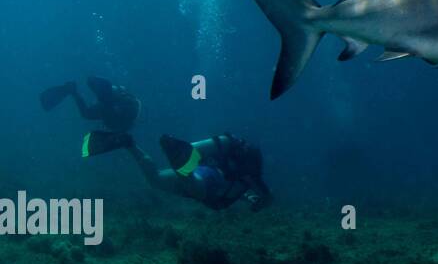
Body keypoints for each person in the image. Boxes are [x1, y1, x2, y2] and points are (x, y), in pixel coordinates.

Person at [83, 131, 272, 212]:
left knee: (155, 179)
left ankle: (128, 144)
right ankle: (185, 171)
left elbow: (244, 191)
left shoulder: (243, 176)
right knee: (199, 184)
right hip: (207, 179)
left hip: (202, 171)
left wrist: (251, 199)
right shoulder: (247, 174)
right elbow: (258, 193)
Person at [41, 76, 141, 134]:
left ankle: (73, 89)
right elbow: (86, 113)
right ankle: (73, 89)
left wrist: (75, 94)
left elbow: (86, 113)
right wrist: (75, 94)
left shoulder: (126, 104)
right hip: (114, 117)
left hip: (120, 117)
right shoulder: (105, 106)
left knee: (104, 106)